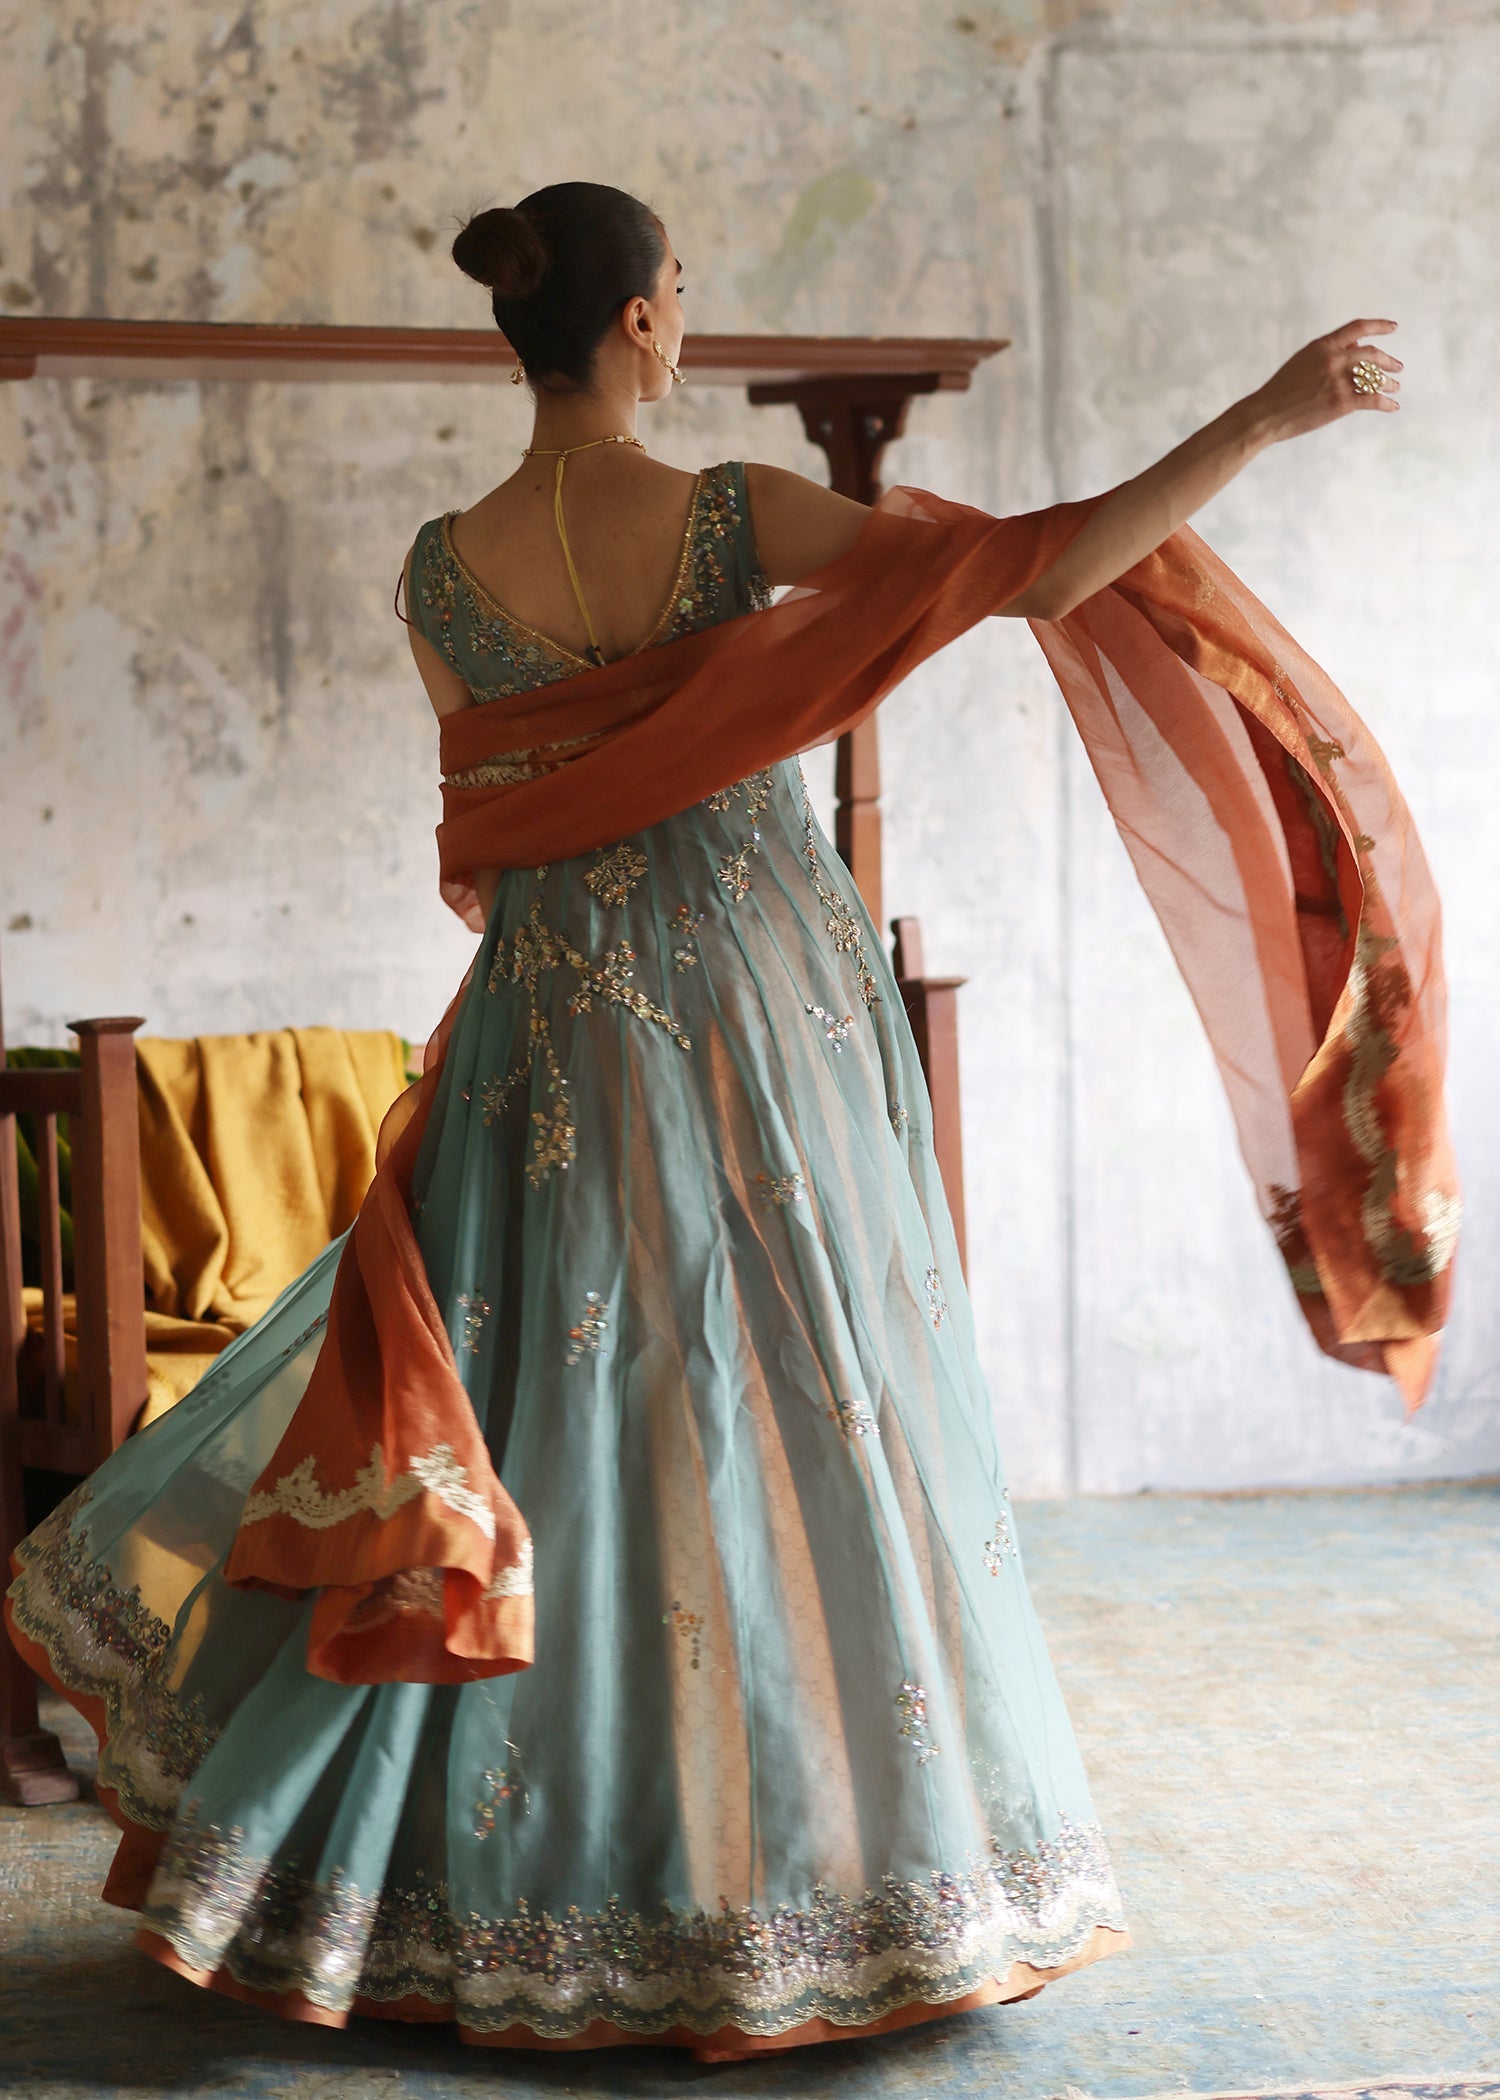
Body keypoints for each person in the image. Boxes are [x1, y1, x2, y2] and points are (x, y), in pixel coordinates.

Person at [6, 181, 1451, 2061]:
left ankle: (495, 1887)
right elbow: (1036, 571)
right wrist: (1264, 413)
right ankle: (814, 1886)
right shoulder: (724, 516)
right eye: (678, 290)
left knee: (558, 1426)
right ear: (636, 321)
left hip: (544, 1040)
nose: (683, 315)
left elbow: (508, 820)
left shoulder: (437, 573)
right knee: (803, 1414)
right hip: (758, 1025)